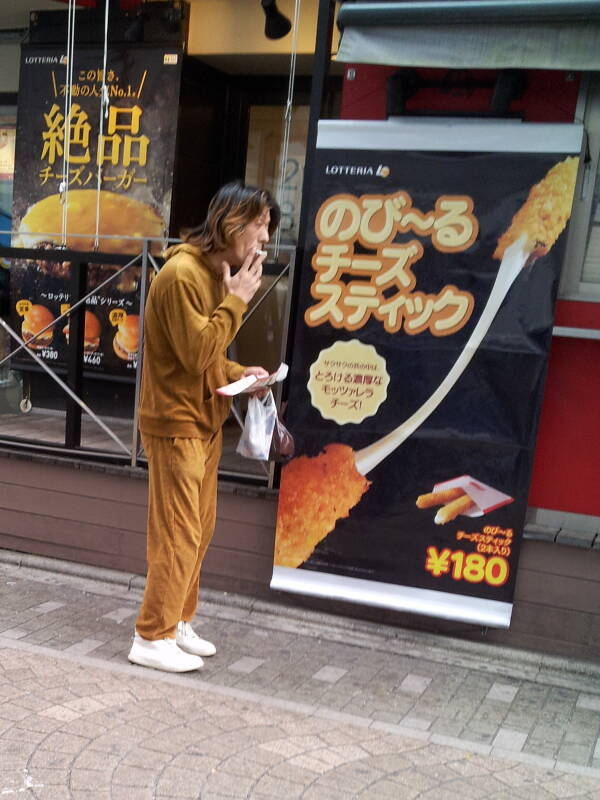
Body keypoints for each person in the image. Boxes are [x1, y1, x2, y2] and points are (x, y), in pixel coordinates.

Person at [128, 182, 280, 673]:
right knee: (178, 532)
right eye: (259, 226)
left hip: (204, 419)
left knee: (201, 528)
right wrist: (236, 300)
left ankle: (177, 623)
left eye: (268, 228)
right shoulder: (180, 274)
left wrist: (243, 375)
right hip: (175, 423)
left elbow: (209, 356)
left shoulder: (216, 273)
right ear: (231, 223)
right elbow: (195, 355)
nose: (265, 238)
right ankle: (151, 636)